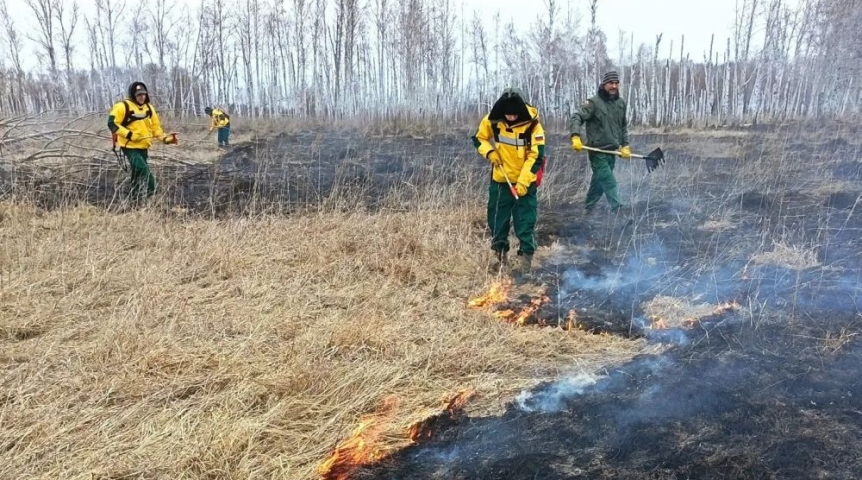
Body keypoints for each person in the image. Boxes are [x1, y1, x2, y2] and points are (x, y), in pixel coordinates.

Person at [472, 87, 546, 274]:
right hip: (500, 180)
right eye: (508, 115)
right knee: (497, 220)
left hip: (524, 182)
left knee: (525, 221)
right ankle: (500, 256)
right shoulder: (493, 119)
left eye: (515, 115)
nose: (511, 118)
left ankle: (525, 262)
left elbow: (536, 157)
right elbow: (479, 138)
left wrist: (522, 183)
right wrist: (490, 152)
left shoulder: (533, 126)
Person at [568, 70, 630, 214]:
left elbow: (623, 126)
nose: (614, 86)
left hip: (612, 151)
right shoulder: (593, 103)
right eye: (611, 83)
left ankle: (588, 209)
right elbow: (576, 117)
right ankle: (619, 210)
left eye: (616, 83)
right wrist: (575, 136)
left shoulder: (621, 104)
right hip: (597, 152)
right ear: (604, 85)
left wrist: (625, 145)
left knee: (598, 182)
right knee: (608, 181)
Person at [108, 82, 178, 202]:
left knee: (137, 172)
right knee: (143, 169)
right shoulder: (122, 106)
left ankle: (133, 198)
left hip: (143, 146)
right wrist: (130, 135)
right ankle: (153, 192)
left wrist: (166, 139)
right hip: (129, 147)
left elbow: (156, 128)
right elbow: (112, 123)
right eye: (139, 95)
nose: (142, 97)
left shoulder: (149, 108)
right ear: (133, 95)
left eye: (144, 94)